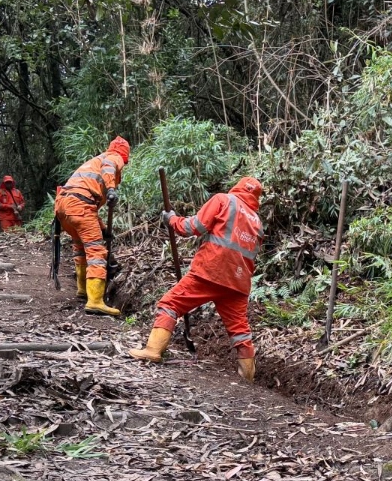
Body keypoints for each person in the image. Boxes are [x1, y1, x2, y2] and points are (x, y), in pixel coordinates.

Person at [129, 177, 264, 381]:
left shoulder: (224, 200)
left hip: (211, 271)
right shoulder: (257, 221)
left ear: (237, 186)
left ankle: (153, 350)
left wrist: (172, 220)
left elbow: (193, 227)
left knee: (170, 304)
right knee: (240, 330)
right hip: (238, 281)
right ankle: (248, 376)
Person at [55, 136, 128, 316]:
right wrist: (111, 189)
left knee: (80, 248)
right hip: (79, 206)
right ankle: (95, 301)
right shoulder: (113, 157)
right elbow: (110, 167)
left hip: (64, 207)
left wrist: (102, 229)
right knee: (96, 252)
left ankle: (82, 289)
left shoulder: (93, 162)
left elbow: (89, 206)